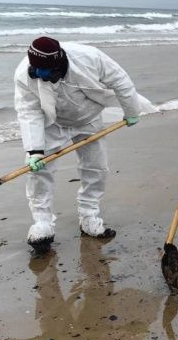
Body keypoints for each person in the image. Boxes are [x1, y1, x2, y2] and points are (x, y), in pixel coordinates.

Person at [14, 37, 151, 254]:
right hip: (53, 122)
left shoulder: (89, 57)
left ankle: (89, 216)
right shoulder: (24, 74)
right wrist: (34, 150)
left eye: (46, 73)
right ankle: (42, 223)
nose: (40, 77)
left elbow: (120, 80)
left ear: (59, 64)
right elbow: (28, 110)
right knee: (38, 171)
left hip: (89, 117)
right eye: (36, 71)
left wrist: (131, 110)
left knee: (96, 168)